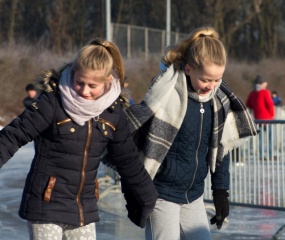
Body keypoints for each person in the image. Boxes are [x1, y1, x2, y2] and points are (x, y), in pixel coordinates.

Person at [0, 38, 158, 240]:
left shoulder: (112, 112)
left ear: (108, 81)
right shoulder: (53, 102)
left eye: (92, 85)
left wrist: (147, 196)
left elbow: (127, 158)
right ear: (73, 73)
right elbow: (13, 135)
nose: (84, 91)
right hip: (46, 202)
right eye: (79, 82)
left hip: (84, 206)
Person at [123, 26, 258, 240]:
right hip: (161, 193)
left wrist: (221, 192)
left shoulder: (218, 102)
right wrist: (134, 191)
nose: (211, 86)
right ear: (188, 69)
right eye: (205, 79)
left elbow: (219, 150)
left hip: (193, 194)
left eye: (217, 80)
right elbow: (139, 143)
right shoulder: (167, 96)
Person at [246, 75, 274, 159]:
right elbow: (270, 104)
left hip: (258, 118)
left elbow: (248, 104)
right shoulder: (265, 92)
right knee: (270, 138)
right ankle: (270, 155)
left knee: (261, 139)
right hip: (267, 119)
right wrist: (272, 115)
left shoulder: (252, 93)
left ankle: (261, 155)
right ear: (262, 84)